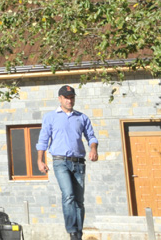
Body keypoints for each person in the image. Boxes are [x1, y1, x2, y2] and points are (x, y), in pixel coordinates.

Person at [36, 85, 99, 240]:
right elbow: (43, 140)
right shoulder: (50, 117)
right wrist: (40, 160)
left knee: (79, 200)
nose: (69, 101)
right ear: (60, 99)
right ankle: (72, 231)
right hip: (60, 162)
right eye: (66, 98)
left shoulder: (82, 118)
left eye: (72, 98)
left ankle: (78, 233)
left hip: (79, 163)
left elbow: (91, 137)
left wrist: (93, 149)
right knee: (68, 195)